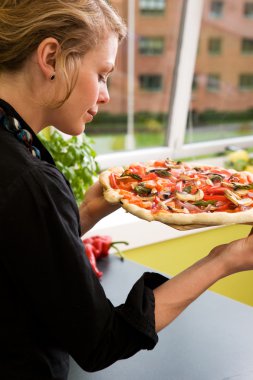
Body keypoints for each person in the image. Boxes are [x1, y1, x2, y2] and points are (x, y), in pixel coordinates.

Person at [0, 1, 253, 379]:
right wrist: (225, 259)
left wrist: (84, 214)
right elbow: (102, 340)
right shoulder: (30, 179)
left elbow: (16, 253)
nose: (105, 95)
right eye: (102, 74)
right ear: (51, 57)